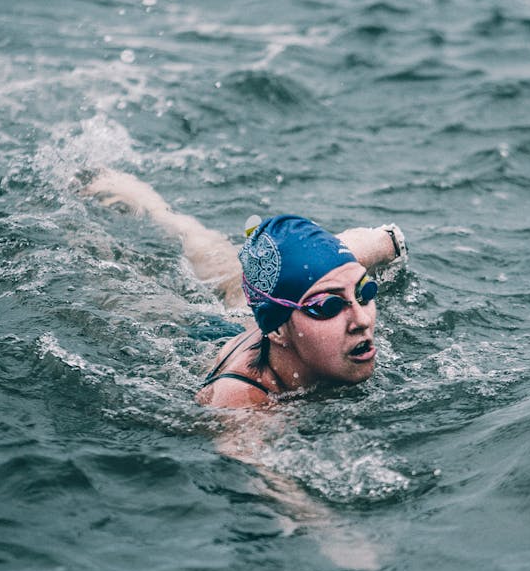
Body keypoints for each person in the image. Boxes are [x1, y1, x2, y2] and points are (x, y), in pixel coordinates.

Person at [80, 168, 407, 409]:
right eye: (328, 307)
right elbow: (269, 486)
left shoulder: (334, 276)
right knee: (117, 283)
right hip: (198, 339)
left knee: (219, 258)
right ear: (279, 329)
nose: (361, 320)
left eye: (364, 293)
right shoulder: (242, 402)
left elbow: (368, 247)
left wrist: (390, 243)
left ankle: (154, 207)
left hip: (261, 319)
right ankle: (98, 219)